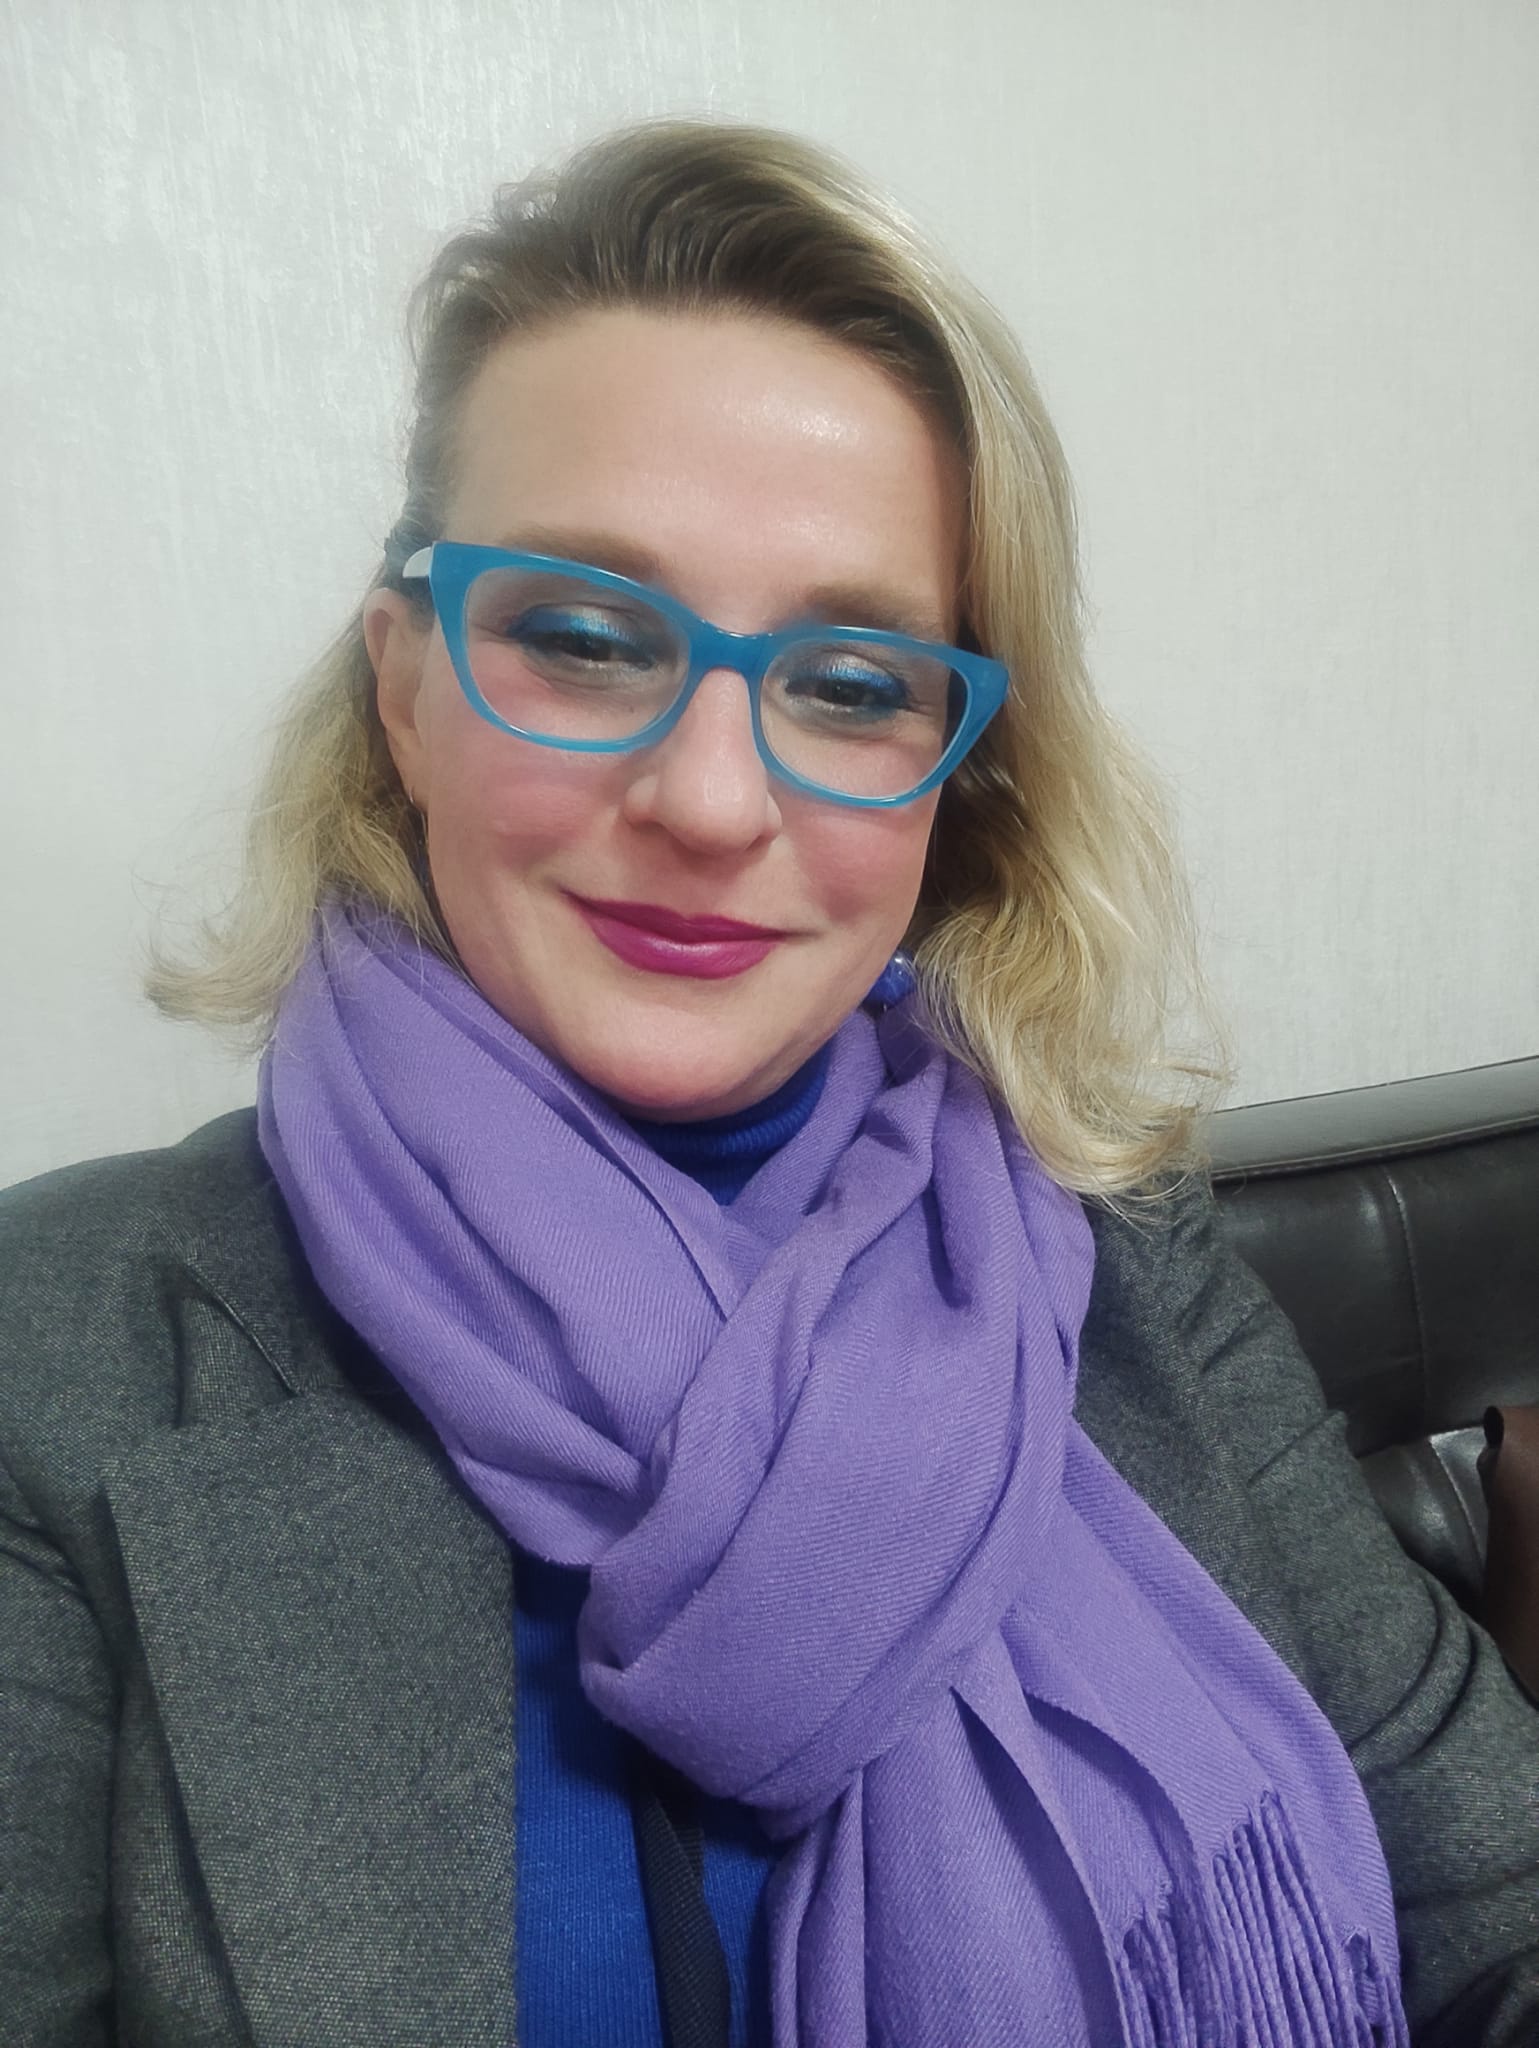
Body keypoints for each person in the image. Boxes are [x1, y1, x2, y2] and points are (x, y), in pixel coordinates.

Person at [1, 118, 1535, 2048]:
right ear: (406, 688)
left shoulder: (1127, 1266)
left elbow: (1496, 1902)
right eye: (581, 639)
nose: (715, 801)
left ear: (959, 776)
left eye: (855, 682)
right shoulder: (61, 1350)